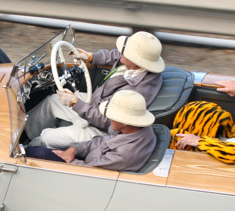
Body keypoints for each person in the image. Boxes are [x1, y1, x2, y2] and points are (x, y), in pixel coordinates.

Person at [24, 31, 164, 148]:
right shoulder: (137, 64)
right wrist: (91, 57)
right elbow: (115, 55)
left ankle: (27, 150)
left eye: (125, 51)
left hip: (102, 128)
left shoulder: (135, 92)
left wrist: (75, 103)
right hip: (95, 103)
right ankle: (24, 134)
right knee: (51, 101)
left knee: (47, 137)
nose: (120, 52)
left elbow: (111, 121)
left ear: (135, 60)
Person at [25, 90, 157, 172]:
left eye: (112, 115)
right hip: (90, 159)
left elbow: (91, 170)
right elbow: (103, 140)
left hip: (85, 169)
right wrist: (74, 150)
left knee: (37, 152)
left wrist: (69, 157)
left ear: (124, 122)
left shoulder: (125, 154)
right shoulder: (136, 129)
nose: (108, 118)